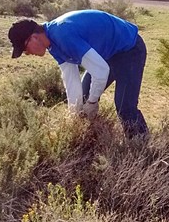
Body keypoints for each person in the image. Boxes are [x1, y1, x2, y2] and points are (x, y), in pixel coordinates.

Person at [8, 9, 148, 137]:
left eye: (25, 49)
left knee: (124, 106)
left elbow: (101, 71)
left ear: (34, 38)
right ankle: (92, 138)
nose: (27, 53)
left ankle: (142, 148)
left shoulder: (63, 35)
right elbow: (71, 81)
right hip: (108, 54)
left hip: (129, 49)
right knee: (84, 97)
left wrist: (93, 102)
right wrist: (73, 116)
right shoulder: (52, 44)